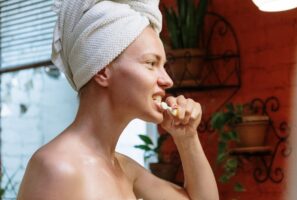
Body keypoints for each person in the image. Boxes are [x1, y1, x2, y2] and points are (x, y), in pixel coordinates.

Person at [17, 0, 219, 199]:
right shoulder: (56, 168)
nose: (167, 81)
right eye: (151, 63)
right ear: (102, 70)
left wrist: (187, 138)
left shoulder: (123, 168)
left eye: (163, 66)